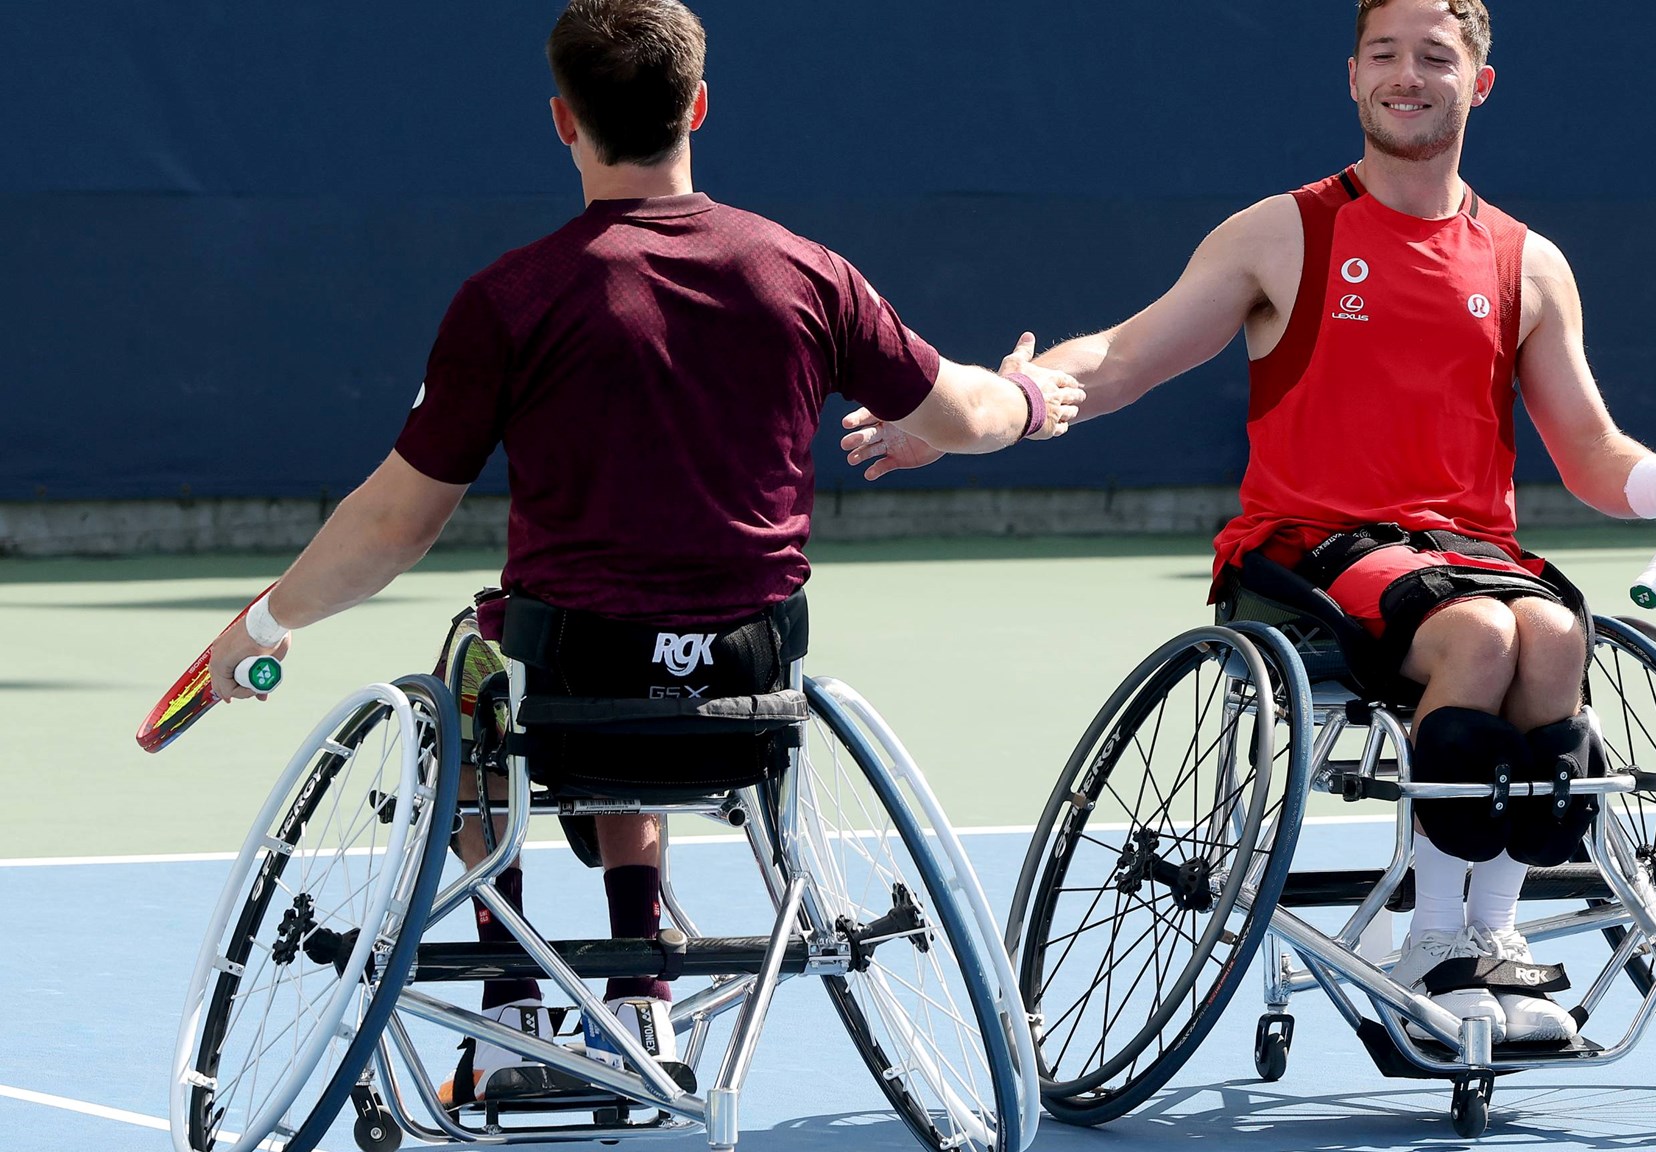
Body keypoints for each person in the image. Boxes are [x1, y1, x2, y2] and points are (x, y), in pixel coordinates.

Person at [204, 0, 1083, 1106]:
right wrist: (1029, 394)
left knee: (477, 668)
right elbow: (962, 411)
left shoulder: (507, 302)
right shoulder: (805, 274)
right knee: (638, 654)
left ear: (562, 122)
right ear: (697, 108)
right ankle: (643, 996)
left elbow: (393, 527)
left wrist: (263, 624)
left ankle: (512, 1005)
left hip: (573, 677)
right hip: (748, 686)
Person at [842, 0, 1656, 1046]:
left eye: (1433, 57)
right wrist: (990, 412)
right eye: (1382, 55)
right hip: (1305, 549)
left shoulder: (1526, 263)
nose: (1404, 76)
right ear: (1350, 76)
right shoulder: (1282, 233)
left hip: (1468, 556)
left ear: (1478, 83)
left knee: (1553, 630)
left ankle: (1488, 940)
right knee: (1483, 633)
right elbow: (1120, 357)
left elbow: (1595, 458)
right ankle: (1431, 938)